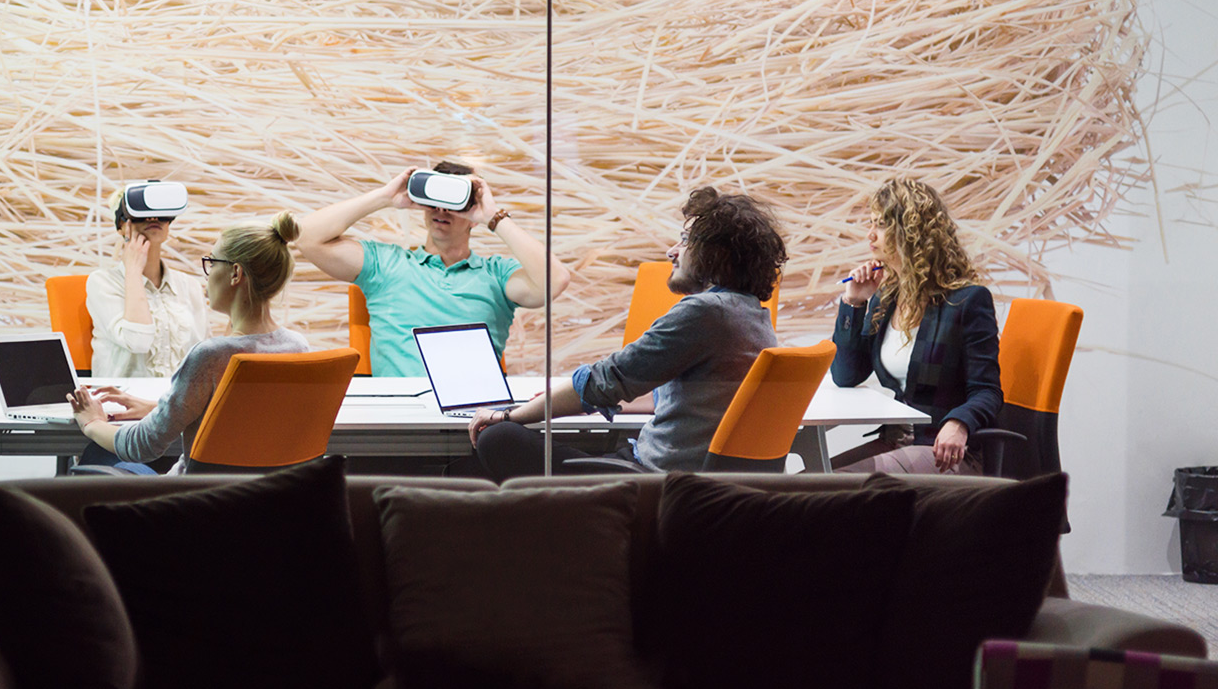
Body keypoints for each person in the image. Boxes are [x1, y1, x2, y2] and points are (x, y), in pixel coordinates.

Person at [467, 187, 786, 480]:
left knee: (499, 437)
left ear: (719, 254)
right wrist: (612, 396)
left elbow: (603, 381)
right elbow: (696, 395)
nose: (671, 251)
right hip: (692, 477)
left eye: (685, 240)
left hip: (653, 480)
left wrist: (509, 415)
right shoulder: (753, 315)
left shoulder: (705, 312)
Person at [69, 212, 309, 473]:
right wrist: (163, 408)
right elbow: (247, 417)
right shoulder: (298, 348)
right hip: (265, 499)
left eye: (212, 262)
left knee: (97, 453)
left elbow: (143, 446)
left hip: (193, 501)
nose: (207, 275)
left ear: (235, 273)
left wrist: (92, 422)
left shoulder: (210, 356)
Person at [297, 161, 572, 376]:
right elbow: (306, 237)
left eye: (454, 201)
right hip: (401, 420)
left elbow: (556, 280)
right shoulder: (384, 264)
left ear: (472, 212)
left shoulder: (496, 274)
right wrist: (384, 197)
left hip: (474, 419)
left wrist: (493, 217)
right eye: (435, 199)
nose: (441, 208)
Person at [829, 177, 1002, 474]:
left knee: (829, 489)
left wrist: (959, 423)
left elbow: (987, 390)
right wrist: (854, 304)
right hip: (895, 442)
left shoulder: (968, 301)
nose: (870, 235)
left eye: (881, 225)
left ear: (910, 232)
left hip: (944, 451)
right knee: (807, 482)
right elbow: (846, 375)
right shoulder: (887, 297)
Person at [87, 185, 210, 378]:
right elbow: (137, 341)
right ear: (121, 225)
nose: (153, 219)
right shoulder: (102, 283)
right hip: (123, 402)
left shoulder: (189, 286)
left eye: (162, 214)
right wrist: (134, 271)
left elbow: (203, 357)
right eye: (140, 214)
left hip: (177, 403)